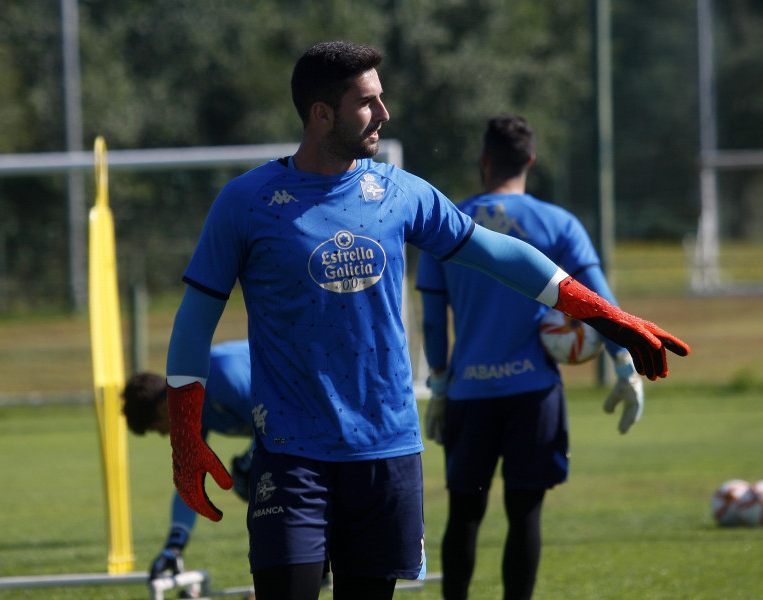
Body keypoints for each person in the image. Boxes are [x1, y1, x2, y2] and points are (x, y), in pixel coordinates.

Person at [164, 41, 689, 600]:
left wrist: (606, 315)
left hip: (387, 452)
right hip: (292, 457)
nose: (384, 114)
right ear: (322, 113)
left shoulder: (398, 192)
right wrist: (185, 441)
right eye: (367, 102)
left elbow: (499, 254)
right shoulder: (245, 202)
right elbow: (194, 325)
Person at [415, 114, 646, 600]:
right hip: (533, 396)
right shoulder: (560, 224)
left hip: (470, 394)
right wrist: (625, 368)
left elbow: (433, 320)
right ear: (531, 162)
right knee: (525, 515)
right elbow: (602, 305)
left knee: (464, 514)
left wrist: (438, 385)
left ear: (484, 160)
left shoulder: (447, 224)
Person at [123, 340, 254, 584]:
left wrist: (250, 460)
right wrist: (175, 545)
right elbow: (189, 481)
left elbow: (287, 420)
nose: (163, 435)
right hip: (296, 422)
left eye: (157, 428)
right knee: (254, 479)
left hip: (326, 397)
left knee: (259, 479)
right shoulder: (188, 408)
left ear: (164, 409)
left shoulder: (223, 376)